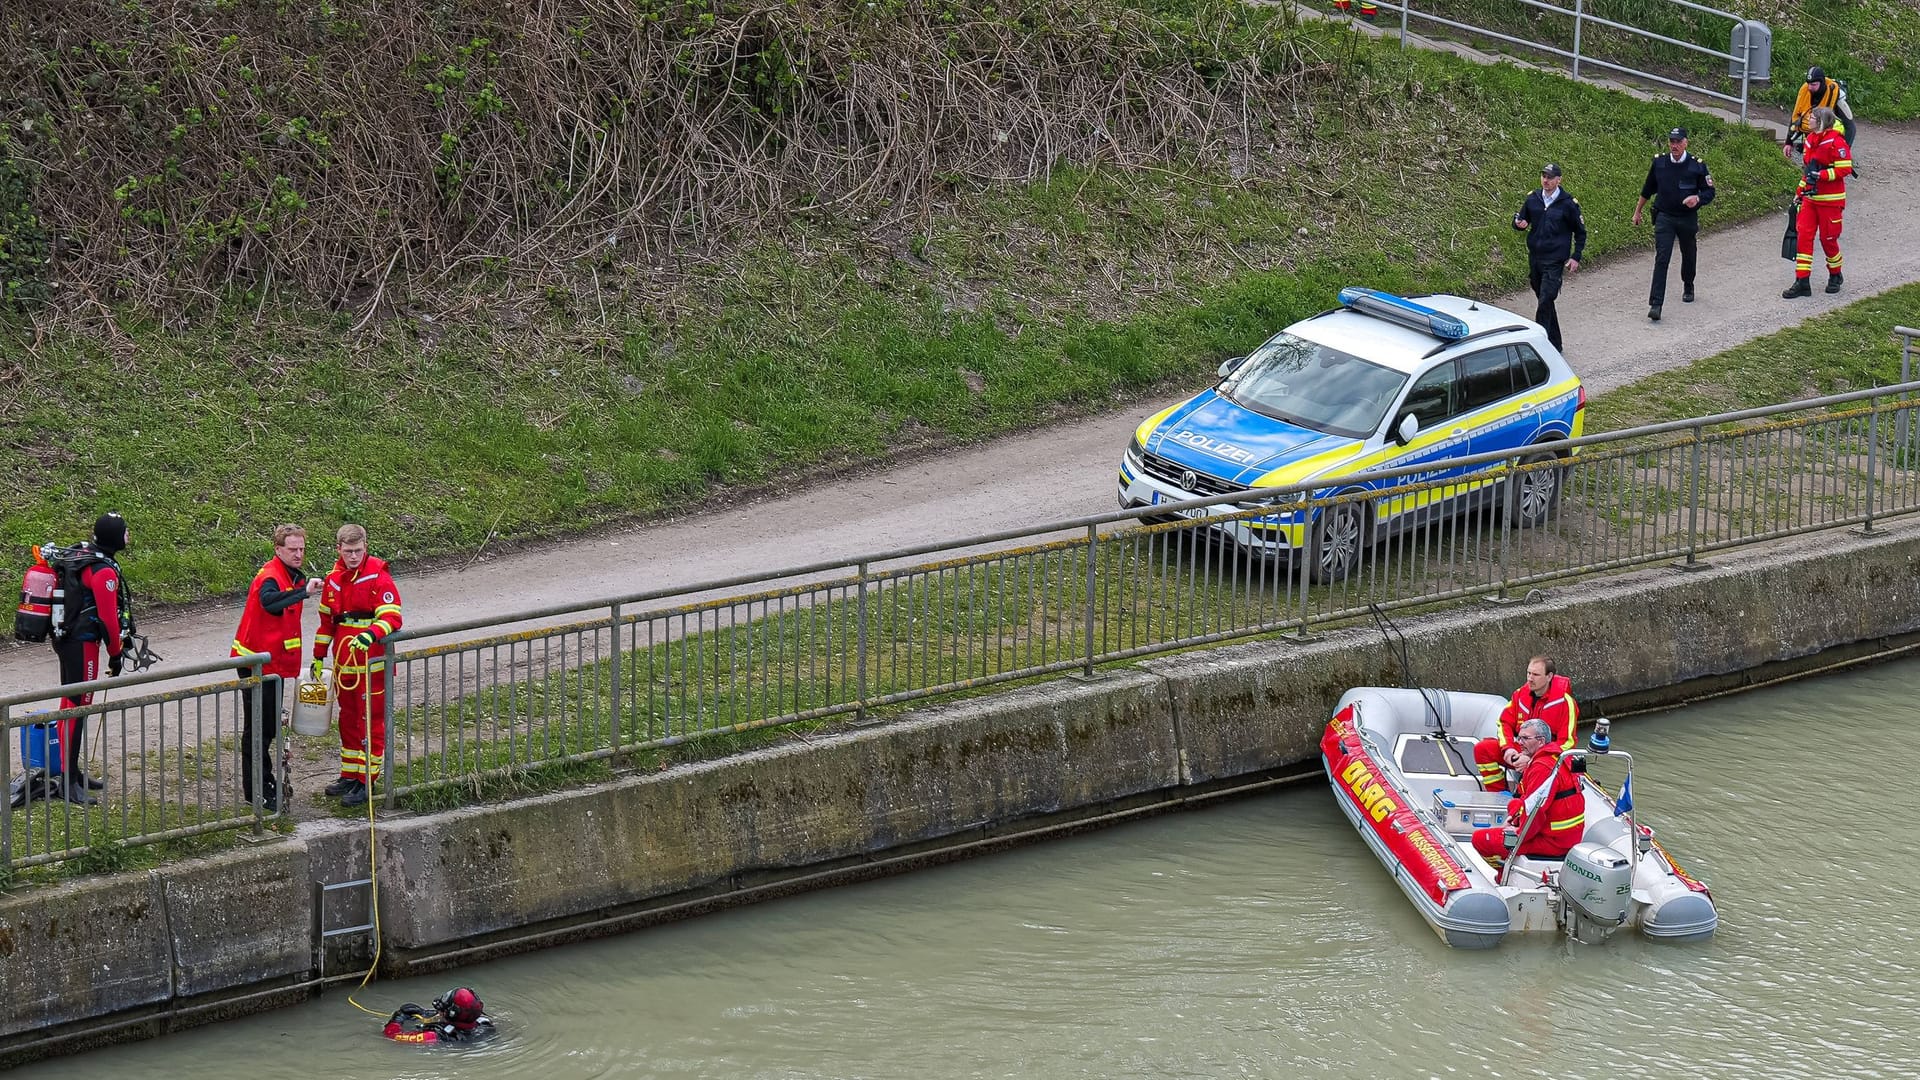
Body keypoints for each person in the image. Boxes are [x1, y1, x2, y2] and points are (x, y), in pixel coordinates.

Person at [230, 524, 324, 811]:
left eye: (301, 549)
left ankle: (264, 786)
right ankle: (258, 790)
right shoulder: (271, 577)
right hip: (257, 666)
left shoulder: (290, 575)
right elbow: (269, 602)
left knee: (267, 728)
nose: (298, 554)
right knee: (258, 730)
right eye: (292, 549)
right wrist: (304, 593)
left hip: (272, 665)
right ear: (278, 549)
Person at [314, 524, 403, 809]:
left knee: (371, 721)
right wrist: (318, 655)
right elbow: (327, 623)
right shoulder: (333, 580)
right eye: (349, 551)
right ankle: (349, 775)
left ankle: (368, 778)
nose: (354, 556)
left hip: (371, 663)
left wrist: (370, 634)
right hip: (345, 665)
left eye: (358, 551)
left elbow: (392, 617)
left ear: (365, 547)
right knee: (348, 721)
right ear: (338, 549)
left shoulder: (378, 574)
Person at [47, 513, 134, 805]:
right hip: (82, 644)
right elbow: (109, 620)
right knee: (79, 706)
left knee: (69, 703)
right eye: (125, 532)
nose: (128, 536)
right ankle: (68, 783)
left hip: (65, 637)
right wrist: (115, 653)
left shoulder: (84, 554)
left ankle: (70, 771)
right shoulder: (103, 571)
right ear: (114, 537)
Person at [1471, 718, 1587, 867]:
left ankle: (1501, 875)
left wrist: (1518, 832)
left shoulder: (1542, 767)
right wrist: (1514, 816)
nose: (1519, 742)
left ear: (1541, 741)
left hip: (1552, 843)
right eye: (1519, 738)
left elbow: (1535, 812)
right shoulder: (1556, 758)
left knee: (1480, 839)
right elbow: (1529, 801)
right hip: (1563, 837)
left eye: (1525, 738)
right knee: (1514, 804)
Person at [1631, 127, 1715, 322]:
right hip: (1664, 217)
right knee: (1662, 258)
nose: (1674, 145)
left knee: (1689, 252)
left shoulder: (1697, 166)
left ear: (1686, 143)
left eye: (1678, 142)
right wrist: (1637, 212)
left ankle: (1688, 284)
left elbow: (1710, 192)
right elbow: (1647, 189)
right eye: (1671, 141)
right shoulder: (1660, 163)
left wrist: (1698, 198)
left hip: (1686, 218)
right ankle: (1656, 304)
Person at [1474, 655, 1578, 794]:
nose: (1530, 678)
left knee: (1537, 773)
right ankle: (1498, 794)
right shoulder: (1519, 695)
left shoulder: (1566, 703)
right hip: (1520, 749)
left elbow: (1567, 743)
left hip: (1547, 757)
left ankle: (1522, 798)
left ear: (1549, 676)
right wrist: (1508, 749)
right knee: (1483, 749)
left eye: (1535, 674)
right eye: (1529, 673)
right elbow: (1504, 723)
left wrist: (1532, 759)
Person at [1511, 162, 1586, 353]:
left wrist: (1575, 256)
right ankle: (1556, 343)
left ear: (1558, 180)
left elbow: (1580, 232)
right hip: (1535, 257)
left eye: (1550, 177)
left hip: (1554, 260)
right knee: (1544, 299)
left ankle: (1539, 346)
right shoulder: (1533, 199)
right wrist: (1518, 223)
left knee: (1546, 298)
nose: (1546, 180)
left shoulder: (1568, 204)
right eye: (1544, 176)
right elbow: (1521, 219)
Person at [1783, 107, 1853, 299]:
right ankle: (1802, 282)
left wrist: (1821, 175)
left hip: (1830, 202)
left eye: (1812, 118)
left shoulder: (1837, 142)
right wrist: (1800, 192)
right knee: (1804, 238)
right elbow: (1808, 171)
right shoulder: (1811, 140)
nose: (1809, 120)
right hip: (1810, 199)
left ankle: (1835, 274)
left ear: (1821, 121)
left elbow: (1845, 169)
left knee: (1828, 240)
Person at [1786, 67, 1858, 159]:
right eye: (1808, 84)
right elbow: (1796, 118)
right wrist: (1788, 142)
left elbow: (1851, 128)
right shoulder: (1805, 92)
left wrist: (1843, 152)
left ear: (1822, 83)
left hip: (1830, 138)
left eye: (1814, 84)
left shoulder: (1835, 95)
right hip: (1813, 137)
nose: (1810, 88)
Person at [383, 986, 494, 1044]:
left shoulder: (434, 1036)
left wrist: (397, 1019)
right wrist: (422, 1013)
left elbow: (392, 1037)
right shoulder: (484, 1023)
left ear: (451, 1013)